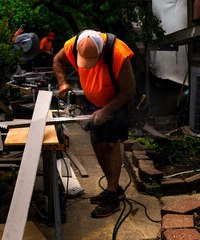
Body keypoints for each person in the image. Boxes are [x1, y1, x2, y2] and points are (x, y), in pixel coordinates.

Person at [53, 30, 135, 218]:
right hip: (93, 103)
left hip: (116, 102)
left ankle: (112, 196)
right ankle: (113, 188)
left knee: (110, 144)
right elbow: (57, 61)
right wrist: (63, 83)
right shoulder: (73, 46)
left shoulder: (117, 53)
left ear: (101, 51)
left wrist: (106, 110)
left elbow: (130, 90)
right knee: (97, 144)